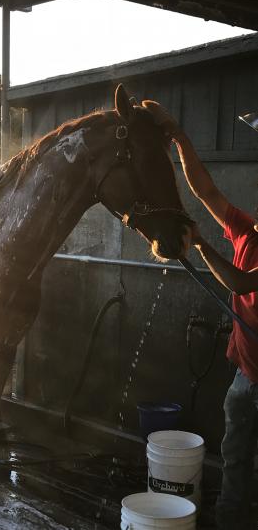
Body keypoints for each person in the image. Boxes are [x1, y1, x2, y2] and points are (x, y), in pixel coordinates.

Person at [145, 101, 258, 530]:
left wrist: (199, 244)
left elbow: (241, 283)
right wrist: (178, 137)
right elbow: (204, 190)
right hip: (246, 375)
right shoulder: (247, 230)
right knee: (235, 461)